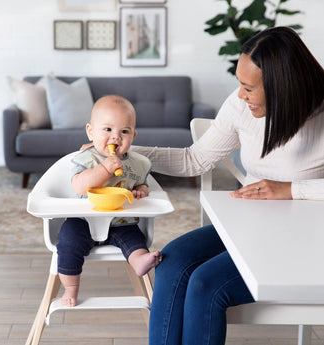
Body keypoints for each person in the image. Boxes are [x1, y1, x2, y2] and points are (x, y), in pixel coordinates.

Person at [129, 26, 324, 345]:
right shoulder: (240, 107)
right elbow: (195, 159)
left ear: (283, 87)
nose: (240, 95)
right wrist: (129, 154)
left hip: (305, 243)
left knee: (205, 284)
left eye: (249, 88)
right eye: (239, 84)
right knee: (171, 262)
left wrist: (291, 190)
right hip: (251, 227)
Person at [57, 95, 162, 307]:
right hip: (84, 221)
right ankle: (71, 287)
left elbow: (142, 183)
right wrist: (104, 168)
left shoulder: (137, 163)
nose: (115, 137)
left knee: (135, 239)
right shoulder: (87, 158)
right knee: (68, 243)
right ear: (90, 131)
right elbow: (79, 185)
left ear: (133, 135)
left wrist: (141, 189)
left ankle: (140, 260)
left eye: (124, 131)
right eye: (107, 130)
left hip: (120, 222)